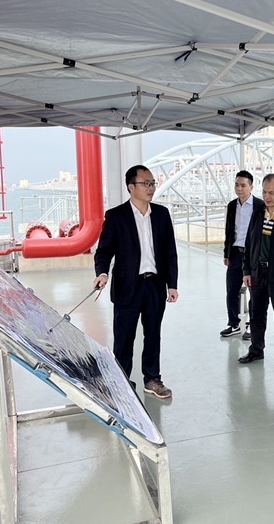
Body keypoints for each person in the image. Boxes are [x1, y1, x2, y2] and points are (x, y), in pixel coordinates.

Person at [94, 165, 178, 399]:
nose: (151, 188)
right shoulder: (116, 216)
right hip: (127, 286)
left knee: (153, 334)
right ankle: (121, 381)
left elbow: (170, 252)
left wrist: (172, 284)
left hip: (154, 285)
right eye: (145, 183)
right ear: (131, 187)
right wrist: (102, 273)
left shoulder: (161, 214)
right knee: (124, 337)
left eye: (152, 183)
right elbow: (104, 251)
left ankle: (152, 379)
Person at [239, 174, 274, 372]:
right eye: (264, 192)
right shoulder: (257, 214)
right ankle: (256, 349)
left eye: (271, 192)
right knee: (256, 314)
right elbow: (249, 243)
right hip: (257, 273)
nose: (267, 196)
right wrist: (247, 270)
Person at [221, 171, 264, 339]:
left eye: (243, 185)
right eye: (237, 185)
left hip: (253, 256)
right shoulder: (232, 205)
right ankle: (233, 324)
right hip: (235, 254)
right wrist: (226, 253)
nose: (239, 188)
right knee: (231, 290)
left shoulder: (260, 206)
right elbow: (229, 230)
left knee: (254, 292)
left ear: (251, 187)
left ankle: (252, 325)